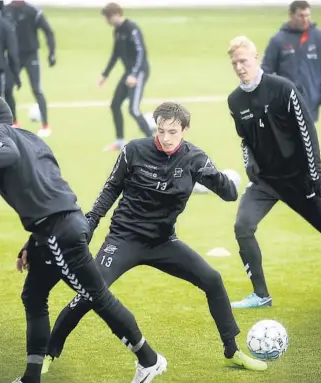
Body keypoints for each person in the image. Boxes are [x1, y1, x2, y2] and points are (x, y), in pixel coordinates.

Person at [0, 90, 166, 383]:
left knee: (96, 296)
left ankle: (149, 359)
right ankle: (31, 377)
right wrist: (32, 242)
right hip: (60, 224)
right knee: (33, 295)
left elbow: (5, 154)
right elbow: (47, 187)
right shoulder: (33, 138)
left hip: (59, 231)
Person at [39, 102, 267, 377]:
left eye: (173, 131)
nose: (166, 137)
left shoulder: (195, 158)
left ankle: (232, 350)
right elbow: (112, 188)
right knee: (89, 293)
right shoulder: (134, 150)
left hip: (163, 242)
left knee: (212, 279)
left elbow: (230, 194)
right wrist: (90, 223)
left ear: (184, 129)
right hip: (123, 238)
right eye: (161, 130)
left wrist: (216, 177)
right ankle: (49, 353)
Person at [226, 36, 321, 309]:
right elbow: (245, 139)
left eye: (244, 61)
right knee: (242, 227)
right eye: (234, 62)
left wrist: (316, 173)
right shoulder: (235, 100)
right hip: (265, 182)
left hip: (299, 180)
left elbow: (306, 130)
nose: (239, 67)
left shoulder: (283, 88)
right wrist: (249, 165)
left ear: (255, 57)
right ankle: (261, 294)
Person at [261, 0, 321, 122]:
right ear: (291, 15)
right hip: (285, 102)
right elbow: (266, 70)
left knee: (307, 139)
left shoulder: (319, 37)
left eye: (308, 15)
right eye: (301, 16)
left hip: (310, 100)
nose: (305, 19)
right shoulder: (278, 40)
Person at [99, 2, 152, 152]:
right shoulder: (117, 31)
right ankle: (120, 141)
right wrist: (105, 75)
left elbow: (141, 52)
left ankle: (155, 143)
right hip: (128, 73)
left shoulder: (132, 28)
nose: (106, 21)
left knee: (133, 110)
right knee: (115, 105)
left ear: (116, 15)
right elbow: (115, 54)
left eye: (107, 17)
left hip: (139, 72)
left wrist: (134, 74)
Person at [3, 1, 56, 137]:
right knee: (7, 88)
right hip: (13, 56)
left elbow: (48, 31)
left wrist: (52, 52)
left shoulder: (33, 11)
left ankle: (45, 126)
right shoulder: (5, 10)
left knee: (36, 89)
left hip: (30, 55)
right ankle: (13, 123)